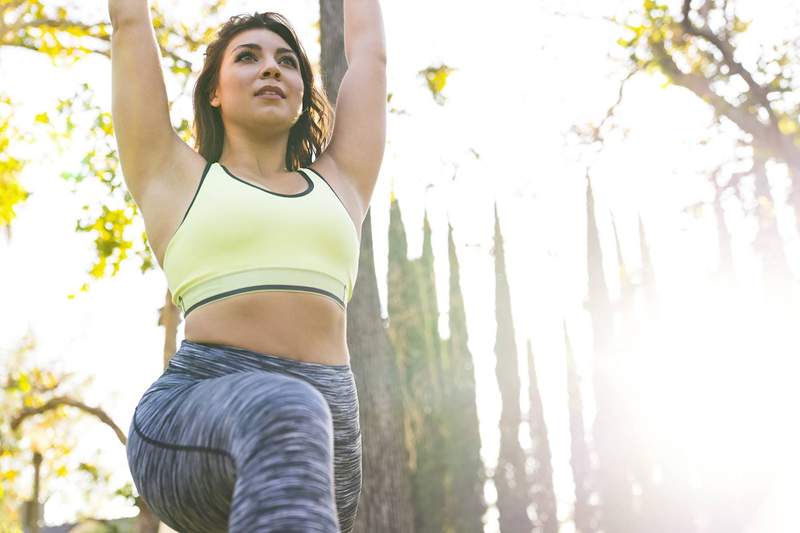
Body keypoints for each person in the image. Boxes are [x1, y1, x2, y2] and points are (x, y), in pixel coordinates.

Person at [108, 2, 386, 531]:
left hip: (329, 437)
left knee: (293, 425)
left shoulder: (343, 183)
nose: (271, 68)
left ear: (304, 95)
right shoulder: (173, 178)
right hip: (191, 420)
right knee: (286, 410)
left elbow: (370, 55)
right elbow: (128, 23)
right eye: (248, 57)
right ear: (214, 91)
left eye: (287, 61)